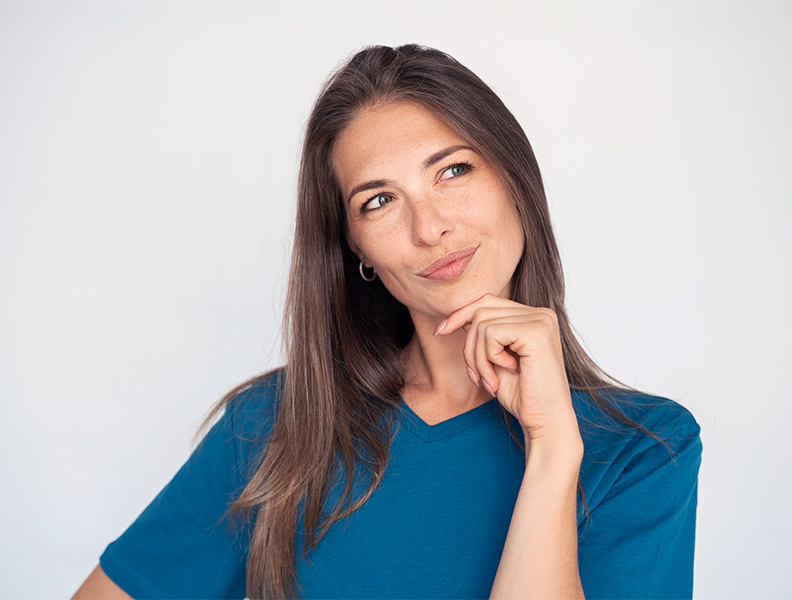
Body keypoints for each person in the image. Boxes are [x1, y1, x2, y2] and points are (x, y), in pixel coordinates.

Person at [73, 44, 702, 600]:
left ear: (515, 179)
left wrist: (554, 450)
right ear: (356, 250)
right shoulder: (276, 424)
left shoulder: (645, 450)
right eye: (379, 201)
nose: (430, 229)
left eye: (452, 171)